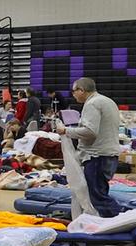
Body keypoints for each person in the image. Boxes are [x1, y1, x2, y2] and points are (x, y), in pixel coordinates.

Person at [57, 78, 122, 217]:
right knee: (100, 193)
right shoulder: (107, 101)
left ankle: (124, 221)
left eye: (74, 91)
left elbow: (90, 131)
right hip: (108, 154)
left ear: (81, 90)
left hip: (97, 156)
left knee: (98, 198)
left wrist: (66, 131)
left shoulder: (92, 104)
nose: (73, 95)